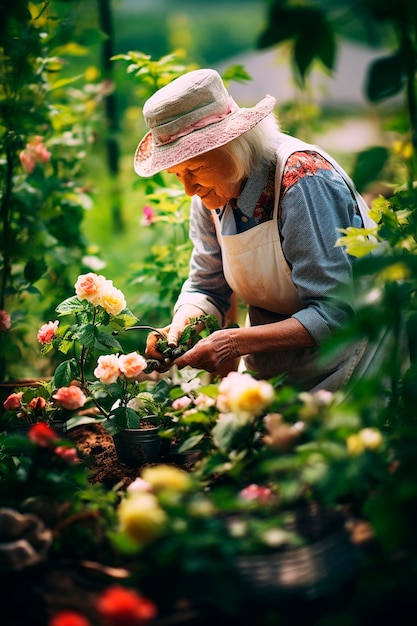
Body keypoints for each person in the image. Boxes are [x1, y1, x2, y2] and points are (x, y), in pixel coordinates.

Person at [134, 68, 377, 392]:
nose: (188, 189)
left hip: (354, 358)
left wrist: (234, 342)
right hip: (276, 366)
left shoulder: (302, 182)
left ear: (232, 146)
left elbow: (335, 312)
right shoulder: (213, 193)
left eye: (194, 169)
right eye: (178, 174)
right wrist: (179, 329)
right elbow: (207, 287)